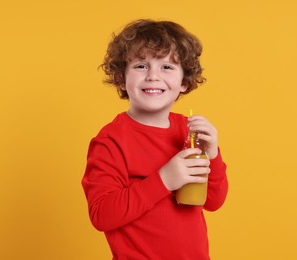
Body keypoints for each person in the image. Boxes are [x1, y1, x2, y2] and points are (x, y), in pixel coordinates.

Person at [81, 19, 228, 259]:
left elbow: (213, 201)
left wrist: (213, 156)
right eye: (141, 66)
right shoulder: (110, 141)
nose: (153, 76)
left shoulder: (188, 131)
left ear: (183, 82)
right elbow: (102, 215)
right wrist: (164, 180)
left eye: (167, 67)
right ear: (121, 78)